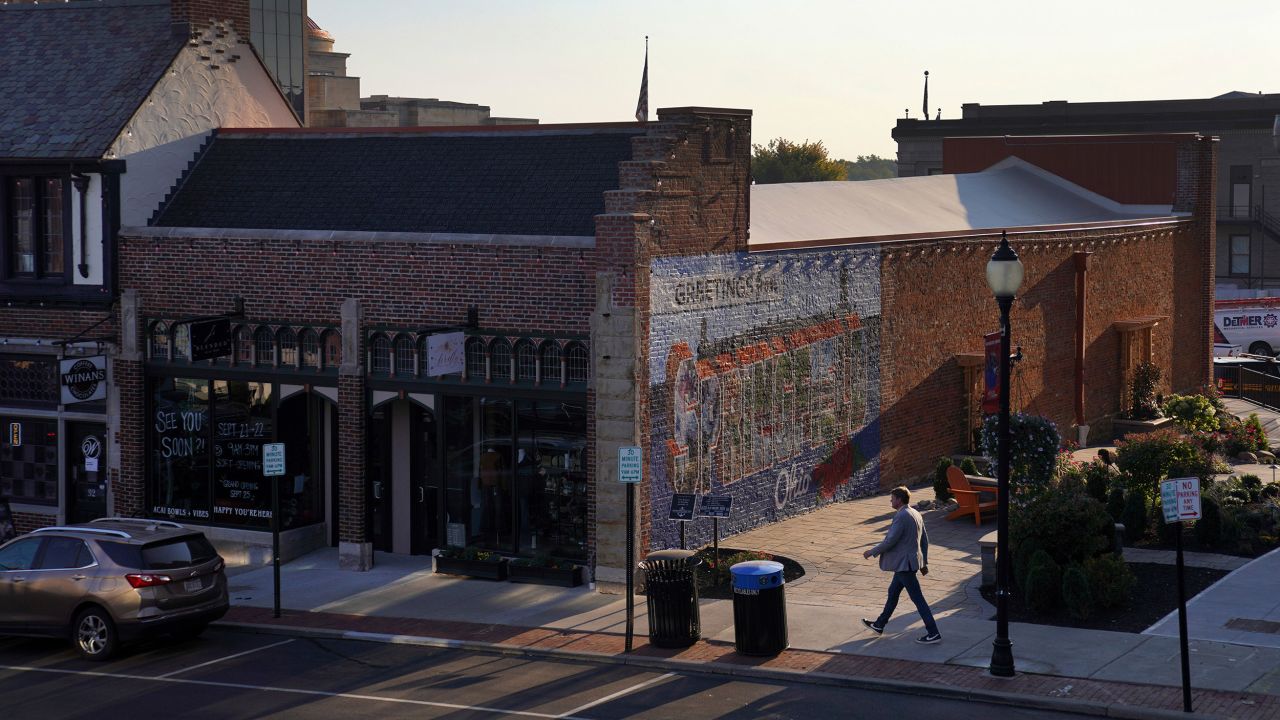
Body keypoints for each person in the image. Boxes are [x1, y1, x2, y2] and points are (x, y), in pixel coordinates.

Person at [861, 486, 941, 644]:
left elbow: (890, 540)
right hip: (910, 563)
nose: (890, 501)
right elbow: (924, 540)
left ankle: (933, 632)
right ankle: (879, 624)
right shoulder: (916, 513)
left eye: (892, 498)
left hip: (905, 565)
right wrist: (923, 562)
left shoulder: (901, 516)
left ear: (899, 499)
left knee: (918, 599)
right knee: (893, 592)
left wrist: (872, 551)